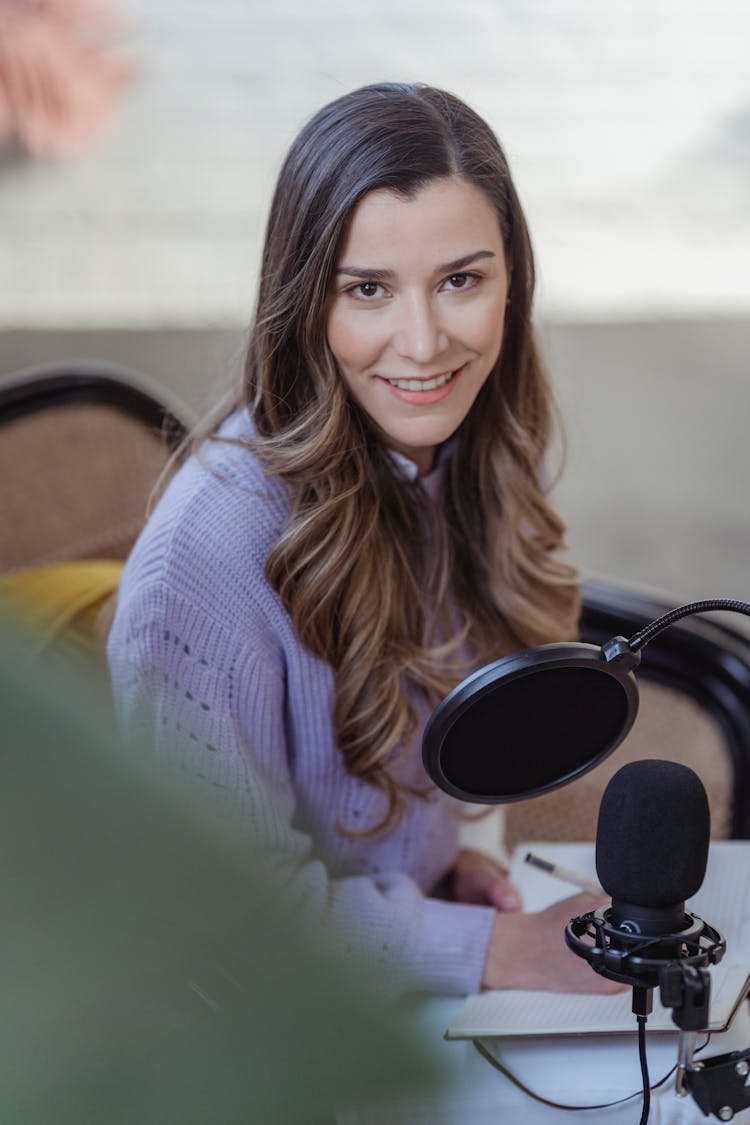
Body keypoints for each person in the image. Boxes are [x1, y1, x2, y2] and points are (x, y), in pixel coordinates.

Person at [107, 82, 620, 998]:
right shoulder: (208, 557)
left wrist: (445, 868)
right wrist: (489, 951)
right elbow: (218, 916)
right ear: (306, 301)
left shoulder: (487, 447)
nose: (422, 345)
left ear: (513, 281)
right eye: (368, 290)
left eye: (461, 280)